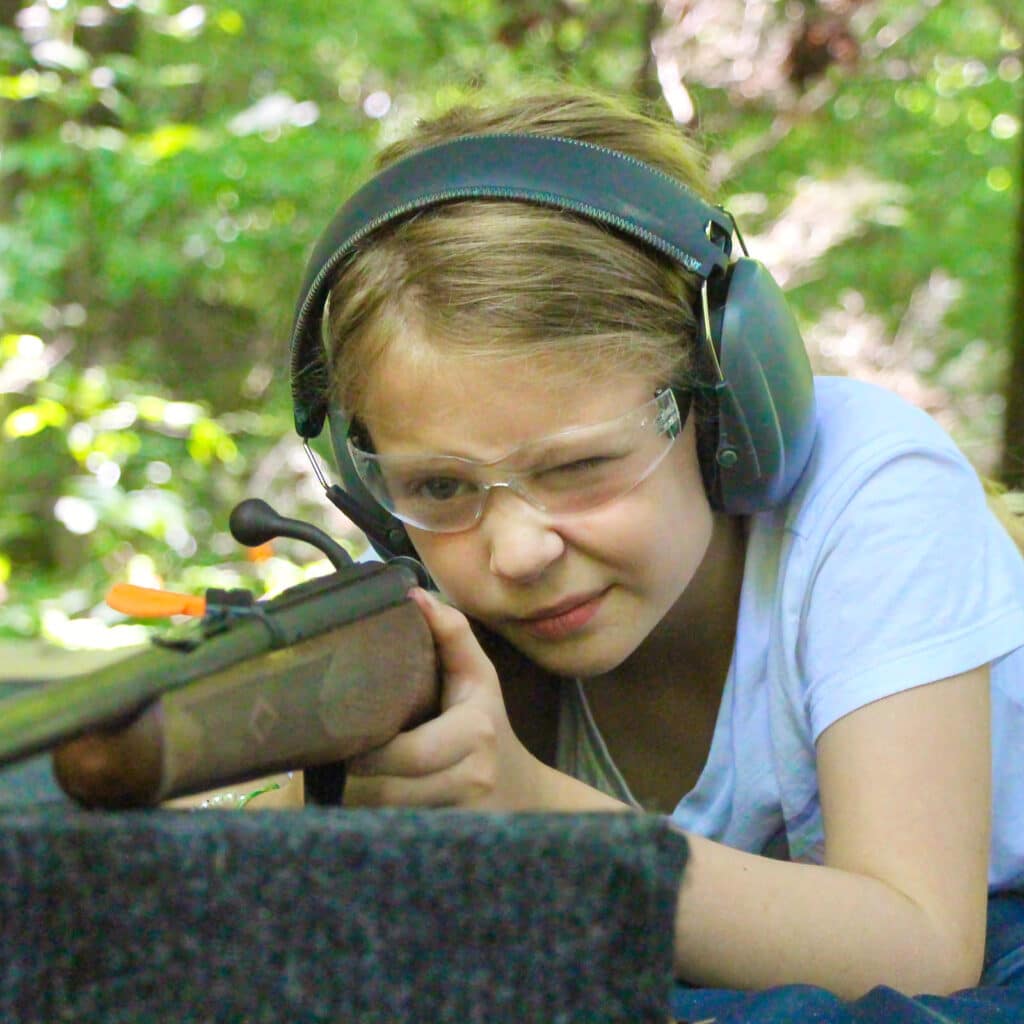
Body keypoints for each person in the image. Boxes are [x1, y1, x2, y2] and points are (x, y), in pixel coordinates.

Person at [301, 85, 1024, 1016]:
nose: (517, 549)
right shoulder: (425, 600)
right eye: (440, 487)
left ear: (726, 411)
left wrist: (529, 810)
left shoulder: (874, 491)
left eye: (583, 466)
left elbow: (921, 949)